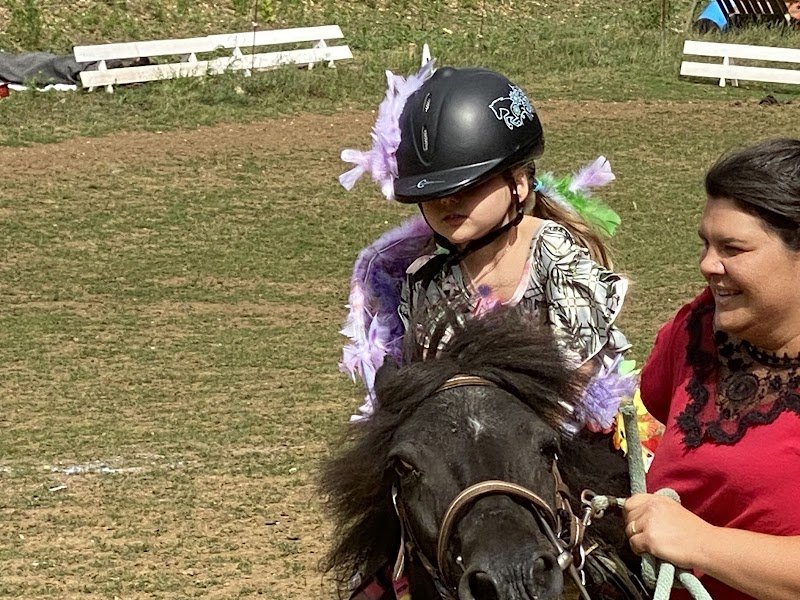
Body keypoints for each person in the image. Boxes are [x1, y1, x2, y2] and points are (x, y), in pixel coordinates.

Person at [338, 62, 636, 431]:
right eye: (434, 195)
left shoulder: (552, 254)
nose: (448, 203)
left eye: (467, 188)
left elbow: (575, 369)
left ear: (519, 184)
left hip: (553, 435)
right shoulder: (426, 281)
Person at [623, 138, 800, 600]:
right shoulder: (696, 331)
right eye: (706, 243)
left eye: (733, 248)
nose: (707, 265)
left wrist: (700, 543)